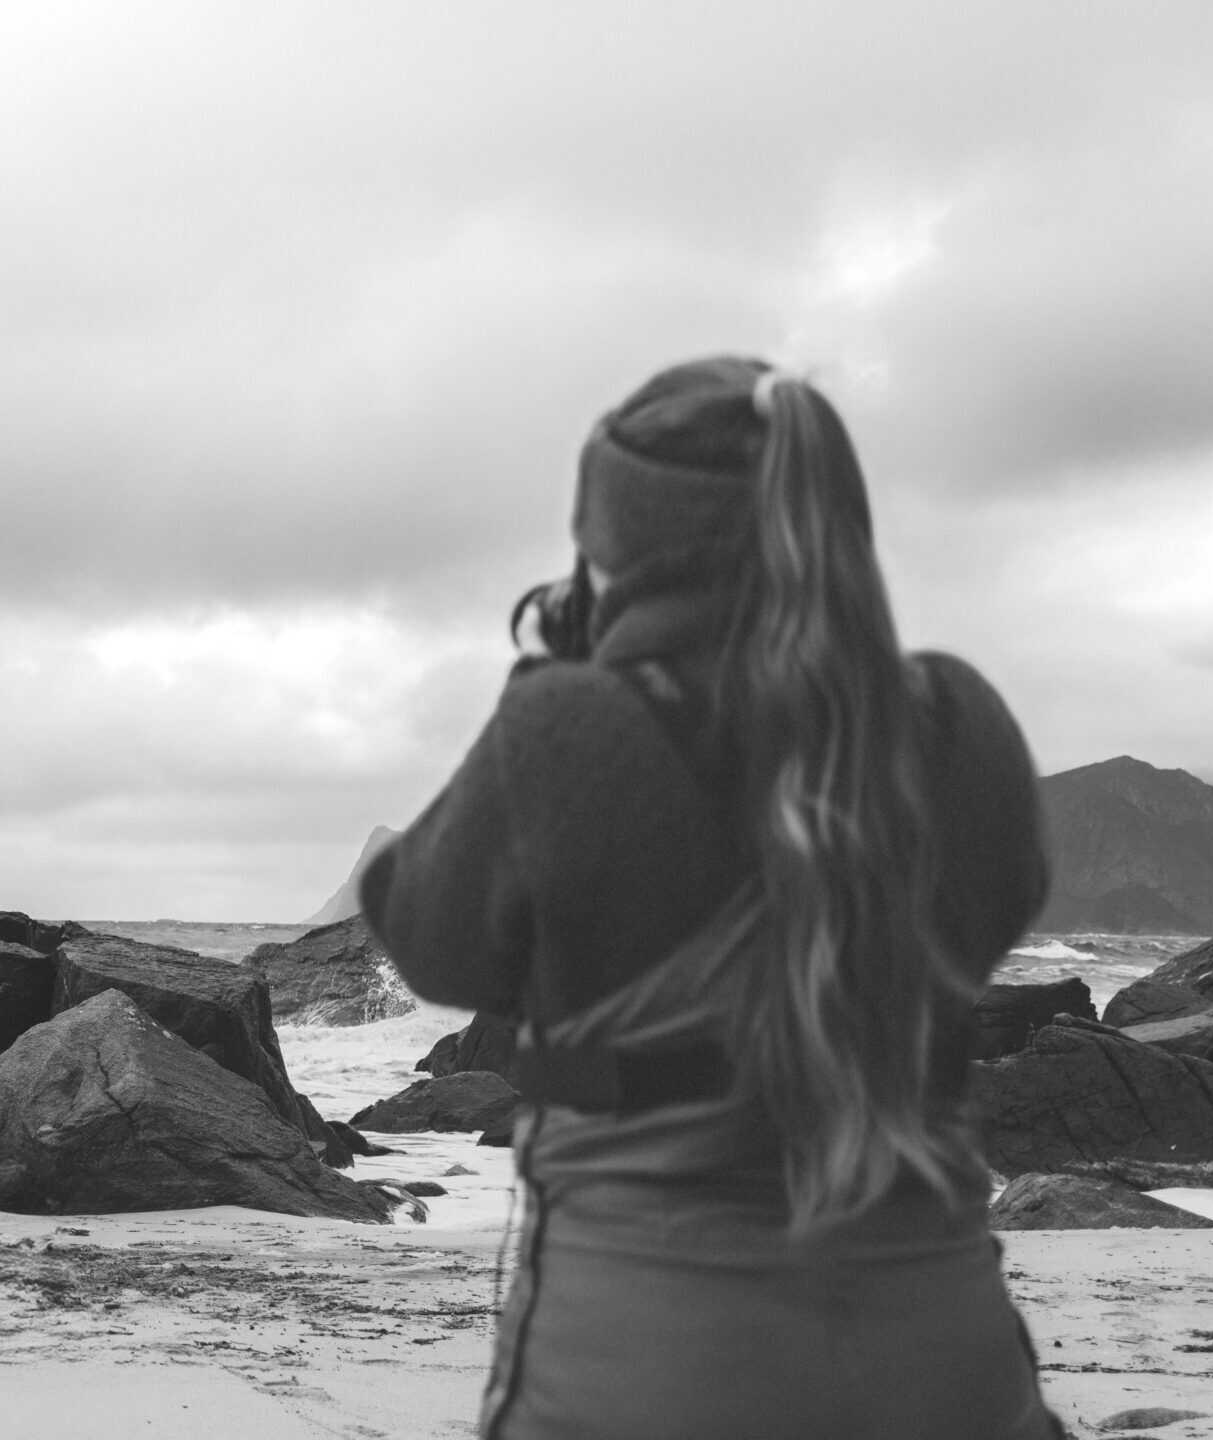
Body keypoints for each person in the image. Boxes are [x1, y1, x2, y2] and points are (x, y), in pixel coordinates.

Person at [358, 355, 1061, 1439]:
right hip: (944, 1367)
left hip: (640, 1373)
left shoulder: (568, 730)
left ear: (616, 543)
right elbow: (994, 907)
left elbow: (433, 940)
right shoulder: (958, 729)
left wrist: (548, 690)